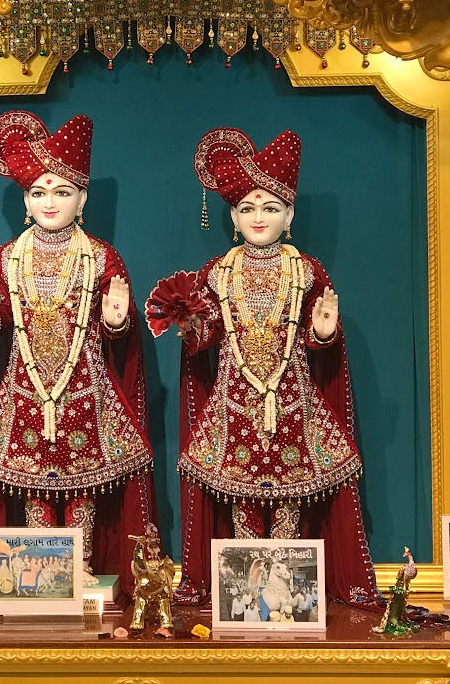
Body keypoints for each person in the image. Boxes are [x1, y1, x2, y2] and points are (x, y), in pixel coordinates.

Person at [0, 110, 156, 595]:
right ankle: (44, 590)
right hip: (27, 396)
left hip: (86, 397)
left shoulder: (101, 256)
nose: (49, 201)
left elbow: (120, 335)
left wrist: (117, 323)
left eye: (61, 191)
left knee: (81, 498)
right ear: (25, 200)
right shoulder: (8, 256)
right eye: (37, 192)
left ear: (83, 199)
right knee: (35, 496)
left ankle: (77, 581)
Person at [167, 127, 376, 605]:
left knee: (288, 502)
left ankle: (291, 604)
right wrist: (192, 329)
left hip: (292, 405)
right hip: (234, 406)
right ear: (233, 217)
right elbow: (208, 336)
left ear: (290, 214)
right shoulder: (217, 271)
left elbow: (319, 340)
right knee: (242, 502)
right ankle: (244, 603)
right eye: (247, 208)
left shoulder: (307, 269)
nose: (258, 217)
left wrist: (323, 334)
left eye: (270, 207)